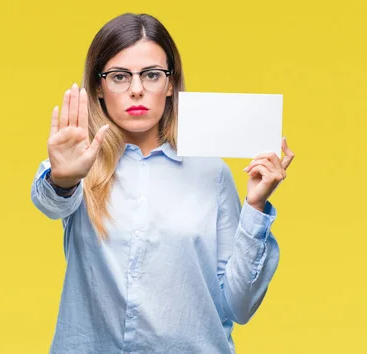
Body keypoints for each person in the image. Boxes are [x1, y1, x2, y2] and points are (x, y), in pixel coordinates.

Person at [30, 12, 295, 354]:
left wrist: (256, 207)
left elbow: (240, 306)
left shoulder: (211, 172)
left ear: (171, 84)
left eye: (152, 75)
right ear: (99, 85)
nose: (136, 90)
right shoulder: (79, 162)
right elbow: (50, 202)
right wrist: (62, 179)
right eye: (120, 76)